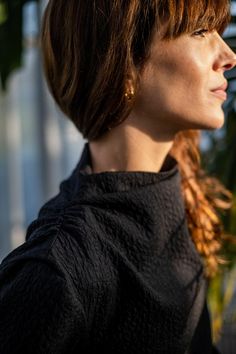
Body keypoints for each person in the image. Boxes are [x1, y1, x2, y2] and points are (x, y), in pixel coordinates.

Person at [0, 0, 235, 353]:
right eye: (200, 31)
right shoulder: (56, 271)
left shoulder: (170, 201)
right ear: (124, 65)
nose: (228, 54)